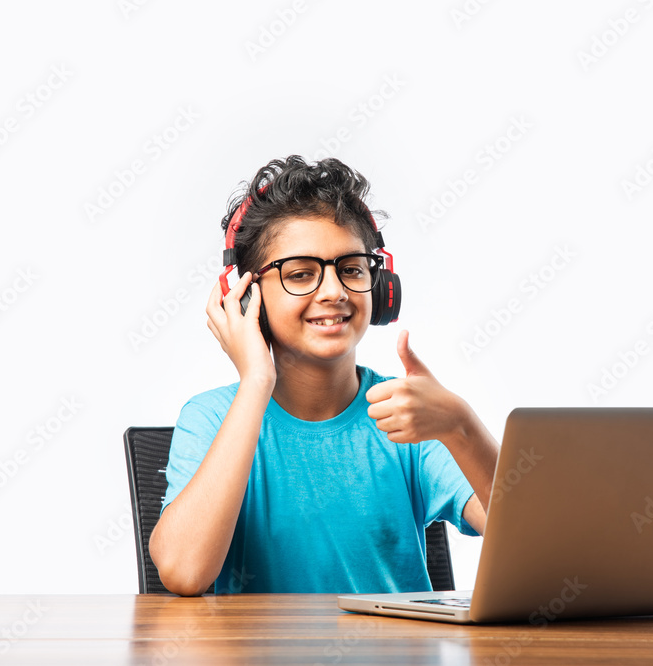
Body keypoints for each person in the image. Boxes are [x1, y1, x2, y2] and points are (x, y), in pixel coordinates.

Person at [149, 155, 500, 596]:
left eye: (351, 269)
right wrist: (257, 380)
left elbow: (531, 538)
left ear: (380, 286)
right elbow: (184, 572)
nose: (334, 292)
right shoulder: (210, 418)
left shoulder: (406, 414)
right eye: (301, 274)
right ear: (245, 297)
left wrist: (461, 425)